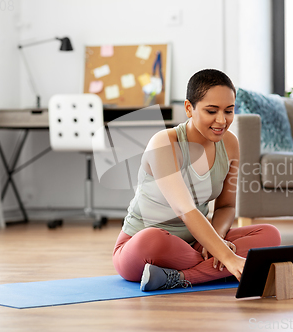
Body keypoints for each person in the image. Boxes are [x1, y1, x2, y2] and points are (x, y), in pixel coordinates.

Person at [112, 69, 281, 291]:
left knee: (269, 235)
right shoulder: (164, 143)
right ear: (189, 108)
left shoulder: (230, 144)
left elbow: (227, 205)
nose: (222, 120)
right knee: (152, 239)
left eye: (229, 111)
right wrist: (227, 256)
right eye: (212, 111)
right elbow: (185, 209)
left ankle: (179, 277)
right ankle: (221, 269)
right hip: (143, 247)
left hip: (197, 242)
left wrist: (215, 240)